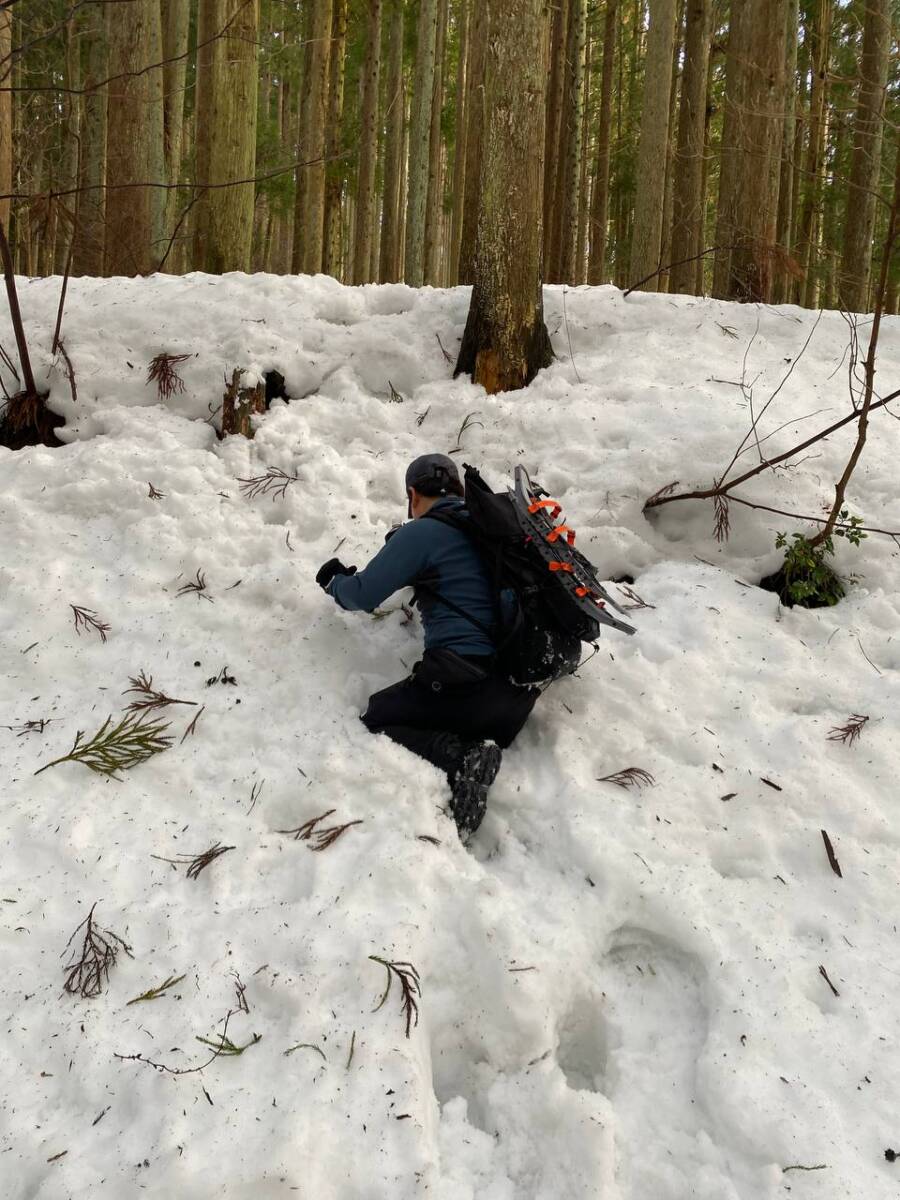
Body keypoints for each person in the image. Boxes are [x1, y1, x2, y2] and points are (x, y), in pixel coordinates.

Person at [316, 453, 539, 840]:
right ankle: (471, 743)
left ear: (413, 495)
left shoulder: (423, 534)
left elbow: (362, 595)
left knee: (376, 718)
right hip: (513, 697)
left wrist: (334, 580)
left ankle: (462, 758)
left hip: (460, 683)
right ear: (456, 490)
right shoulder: (489, 532)